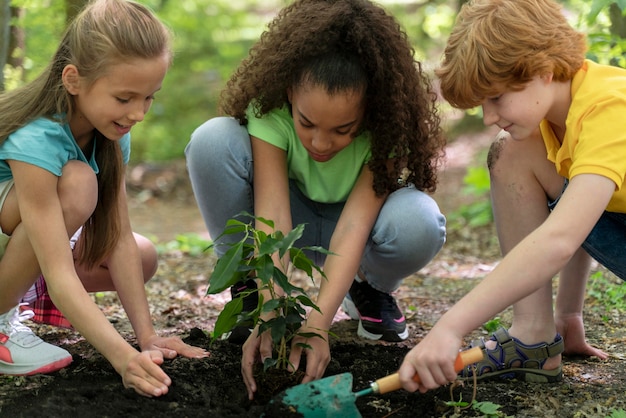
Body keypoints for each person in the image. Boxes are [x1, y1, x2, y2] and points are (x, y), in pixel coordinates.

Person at [185, 0, 447, 400]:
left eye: (343, 130)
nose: (321, 143)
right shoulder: (271, 110)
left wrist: (317, 325)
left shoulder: (387, 127)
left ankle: (367, 286)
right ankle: (251, 287)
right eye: (306, 123)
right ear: (290, 92)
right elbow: (272, 216)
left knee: (419, 223)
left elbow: (356, 224)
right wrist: (273, 312)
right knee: (212, 140)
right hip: (294, 215)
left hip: (358, 229)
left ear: (370, 112)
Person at [398, 0, 625, 393]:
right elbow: (583, 207)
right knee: (512, 150)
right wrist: (568, 312)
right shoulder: (561, 112)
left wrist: (450, 327)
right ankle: (535, 337)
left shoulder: (610, 109)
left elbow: (560, 239)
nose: (487, 117)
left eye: (496, 98)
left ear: (543, 70)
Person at [0, 0, 208, 398]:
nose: (139, 113)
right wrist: (121, 357)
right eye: (125, 98)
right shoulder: (36, 139)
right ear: (74, 79)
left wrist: (146, 338)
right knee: (78, 183)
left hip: (18, 244)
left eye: (149, 97)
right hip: (17, 238)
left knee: (142, 255)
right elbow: (59, 273)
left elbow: (118, 236)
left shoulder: (110, 135)